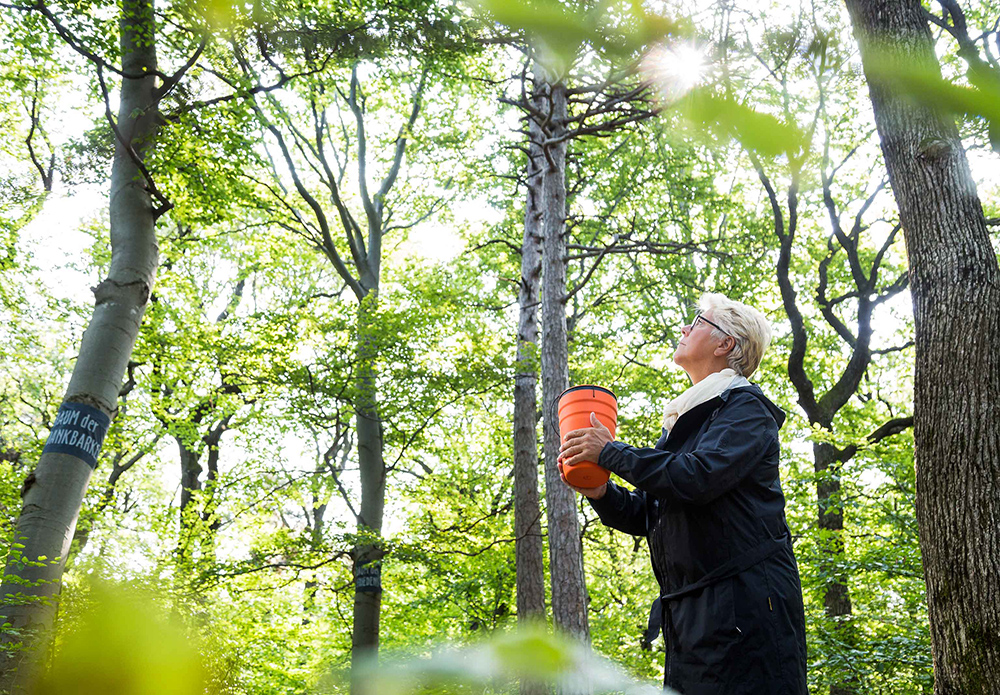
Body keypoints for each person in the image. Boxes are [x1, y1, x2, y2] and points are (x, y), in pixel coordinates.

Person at [558, 293, 808, 695]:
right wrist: (600, 491)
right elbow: (650, 514)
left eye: (697, 321)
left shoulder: (746, 408)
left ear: (725, 343)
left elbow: (697, 477)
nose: (684, 328)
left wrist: (612, 452)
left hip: (745, 608)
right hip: (691, 616)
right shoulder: (684, 421)